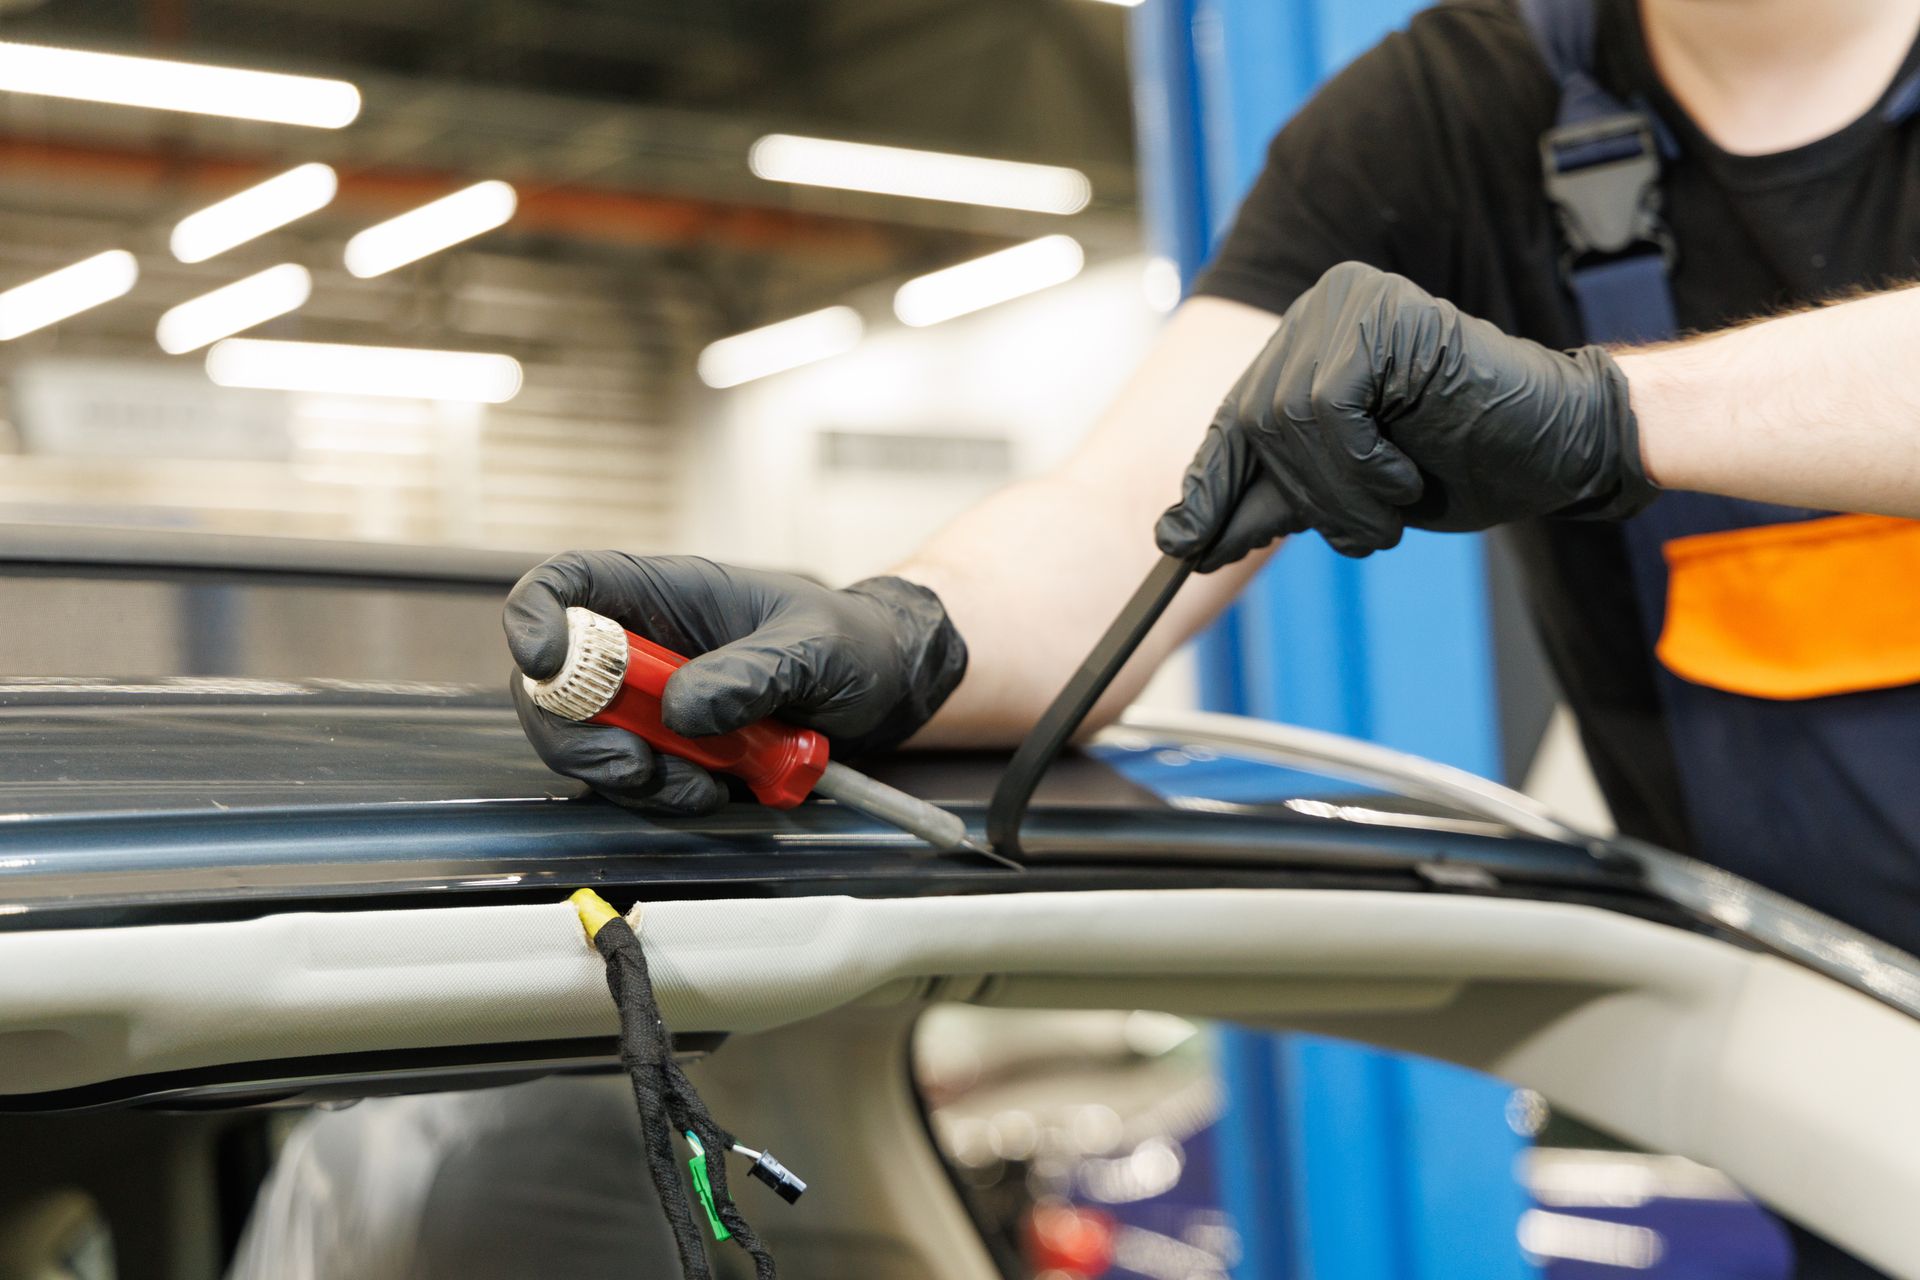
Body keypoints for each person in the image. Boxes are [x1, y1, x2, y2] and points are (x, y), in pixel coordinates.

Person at [506, 1, 1920, 1272]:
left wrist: (1620, 416)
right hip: (1850, 1136)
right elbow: (1129, 518)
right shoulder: (1445, 115)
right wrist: (900, 634)